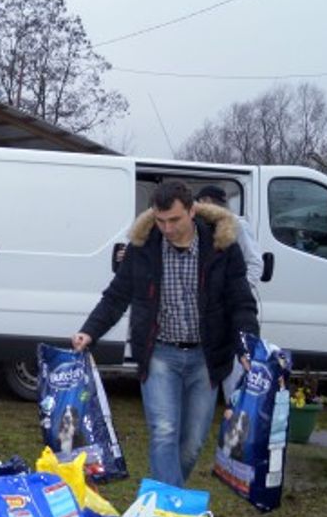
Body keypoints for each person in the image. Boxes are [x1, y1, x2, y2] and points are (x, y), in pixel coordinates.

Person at [71, 180, 258, 487]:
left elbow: (241, 303)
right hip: (159, 354)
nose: (167, 228)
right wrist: (89, 332)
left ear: (192, 211)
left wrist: (246, 345)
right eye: (160, 221)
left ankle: (166, 497)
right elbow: (117, 296)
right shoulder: (143, 248)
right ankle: (167, 512)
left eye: (174, 220)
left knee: (193, 444)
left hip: (206, 358)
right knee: (164, 431)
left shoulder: (222, 247)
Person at [195, 184, 265, 404]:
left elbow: (255, 262)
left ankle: (236, 408)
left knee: (234, 367)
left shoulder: (235, 225)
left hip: (231, 308)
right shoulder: (197, 228)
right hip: (210, 312)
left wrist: (238, 291)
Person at [195, 185, 264, 289]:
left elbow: (254, 262)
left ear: (206, 201)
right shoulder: (200, 225)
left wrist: (240, 290)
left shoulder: (237, 224)